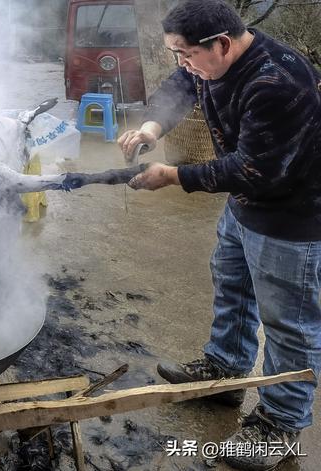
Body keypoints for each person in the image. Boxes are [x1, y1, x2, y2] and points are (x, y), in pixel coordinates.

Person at [118, 1, 321, 470]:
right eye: (176, 53)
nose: (181, 63)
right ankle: (226, 369)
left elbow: (253, 170)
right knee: (232, 287)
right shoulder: (209, 62)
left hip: (291, 217)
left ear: (222, 44)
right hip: (244, 207)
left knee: (289, 323)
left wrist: (173, 174)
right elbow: (183, 83)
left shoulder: (275, 82)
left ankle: (280, 424)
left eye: (185, 53)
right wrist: (151, 126)